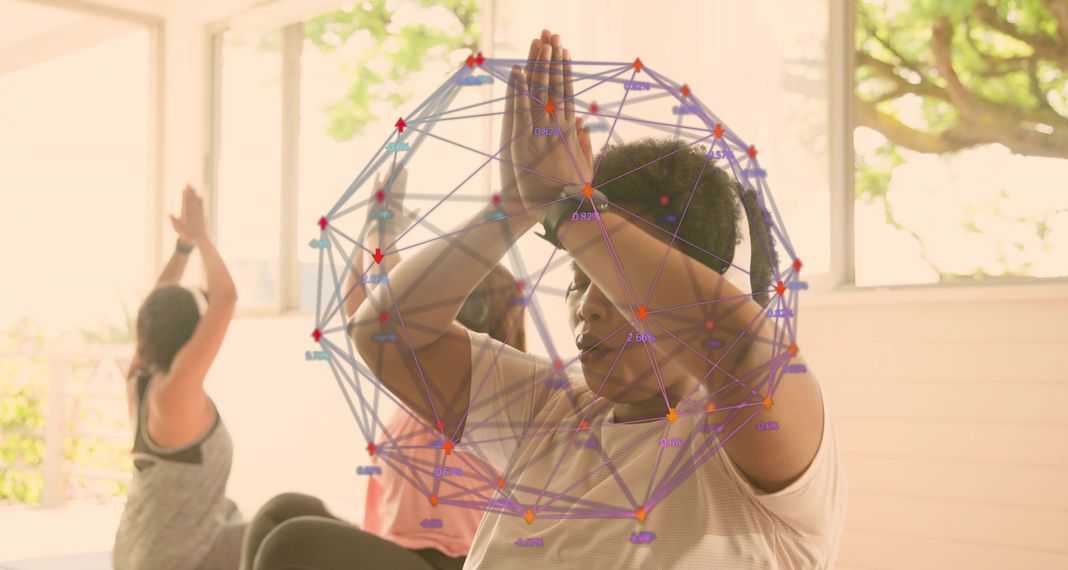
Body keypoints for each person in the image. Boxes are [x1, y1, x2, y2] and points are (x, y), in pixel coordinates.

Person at [349, 30, 847, 569]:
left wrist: (573, 214)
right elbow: (384, 333)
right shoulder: (548, 410)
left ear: (703, 282)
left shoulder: (751, 437)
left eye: (611, 277)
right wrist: (519, 205)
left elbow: (746, 353)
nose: (586, 305)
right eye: (578, 276)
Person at [240, 169, 527, 570]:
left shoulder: (486, 387)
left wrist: (384, 222)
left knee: (291, 543)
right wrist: (371, 223)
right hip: (398, 549)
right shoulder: (420, 377)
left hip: (446, 563)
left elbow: (388, 297)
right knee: (279, 511)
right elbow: (363, 308)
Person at [114, 185, 245, 570]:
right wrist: (202, 235)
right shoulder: (175, 391)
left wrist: (184, 247)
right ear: (193, 334)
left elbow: (152, 310)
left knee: (245, 515)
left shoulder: (142, 379)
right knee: (286, 530)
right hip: (176, 560)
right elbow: (226, 299)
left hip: (137, 551)